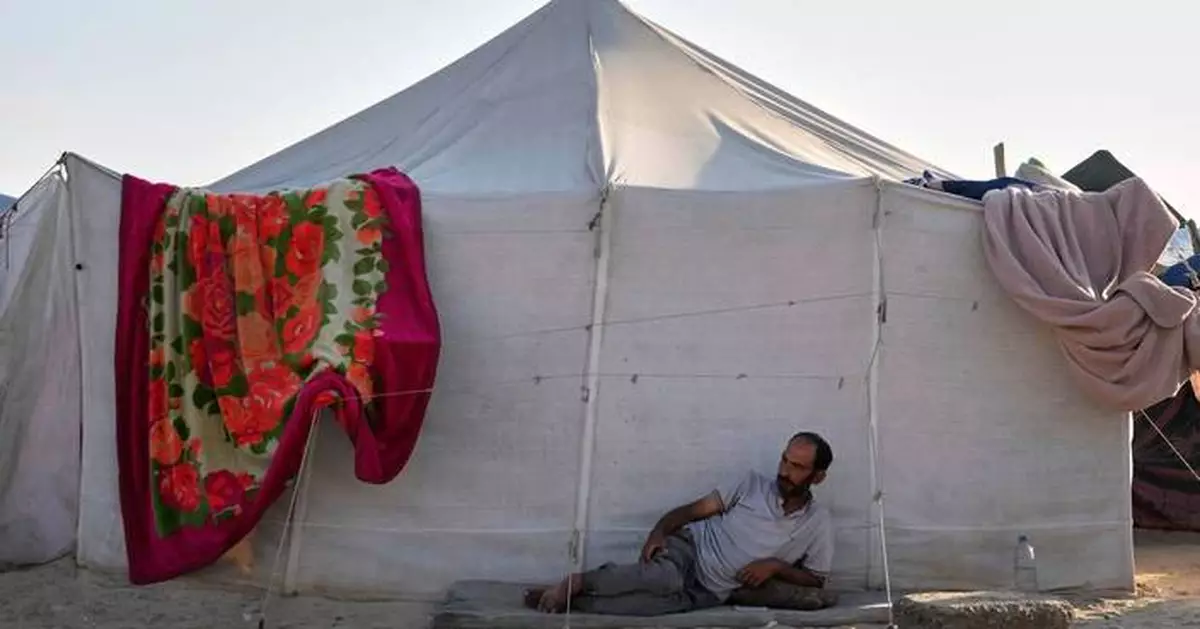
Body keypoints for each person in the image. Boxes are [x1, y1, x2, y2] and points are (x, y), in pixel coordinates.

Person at [525, 431, 835, 616]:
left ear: (817, 476)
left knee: (642, 609)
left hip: (713, 591)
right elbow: (691, 511)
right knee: (664, 580)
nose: (784, 471)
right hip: (689, 553)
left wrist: (776, 567)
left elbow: (816, 580)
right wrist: (658, 532)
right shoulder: (750, 484)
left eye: (797, 467)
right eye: (784, 460)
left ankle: (563, 601)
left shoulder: (817, 523)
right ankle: (576, 582)